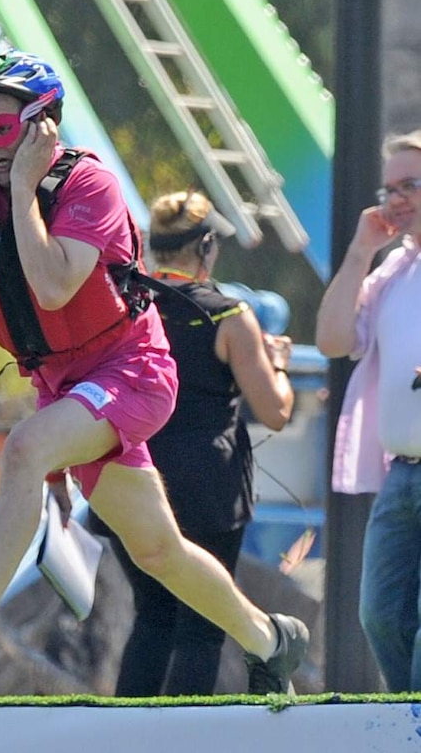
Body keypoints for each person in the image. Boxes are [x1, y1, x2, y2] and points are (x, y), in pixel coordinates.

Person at [0, 42, 309, 693]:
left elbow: (54, 288)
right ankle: (270, 641)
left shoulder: (89, 186)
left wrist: (22, 189)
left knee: (24, 448)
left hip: (132, 371)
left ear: (42, 126)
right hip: (65, 384)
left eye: (4, 131)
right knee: (158, 551)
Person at [85, 190, 295, 696]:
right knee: (201, 626)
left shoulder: (121, 306)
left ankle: (129, 739)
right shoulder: (228, 315)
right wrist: (279, 363)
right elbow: (276, 411)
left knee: (152, 615)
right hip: (207, 491)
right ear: (206, 248)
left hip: (127, 478)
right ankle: (185, 741)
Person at [316, 129, 421, 692]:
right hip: (401, 476)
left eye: (411, 185)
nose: (396, 200)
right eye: (390, 189)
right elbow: (332, 340)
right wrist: (360, 252)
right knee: (379, 616)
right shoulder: (393, 271)